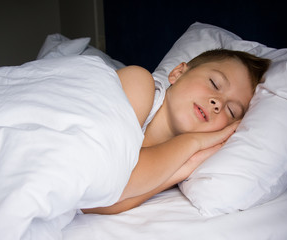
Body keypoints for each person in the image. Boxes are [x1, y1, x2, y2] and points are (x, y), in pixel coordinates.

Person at [81, 49, 271, 214]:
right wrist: (194, 142)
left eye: (231, 111)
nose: (218, 103)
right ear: (178, 72)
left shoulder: (172, 160)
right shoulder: (139, 82)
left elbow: (96, 202)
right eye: (214, 83)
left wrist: (188, 166)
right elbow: (102, 183)